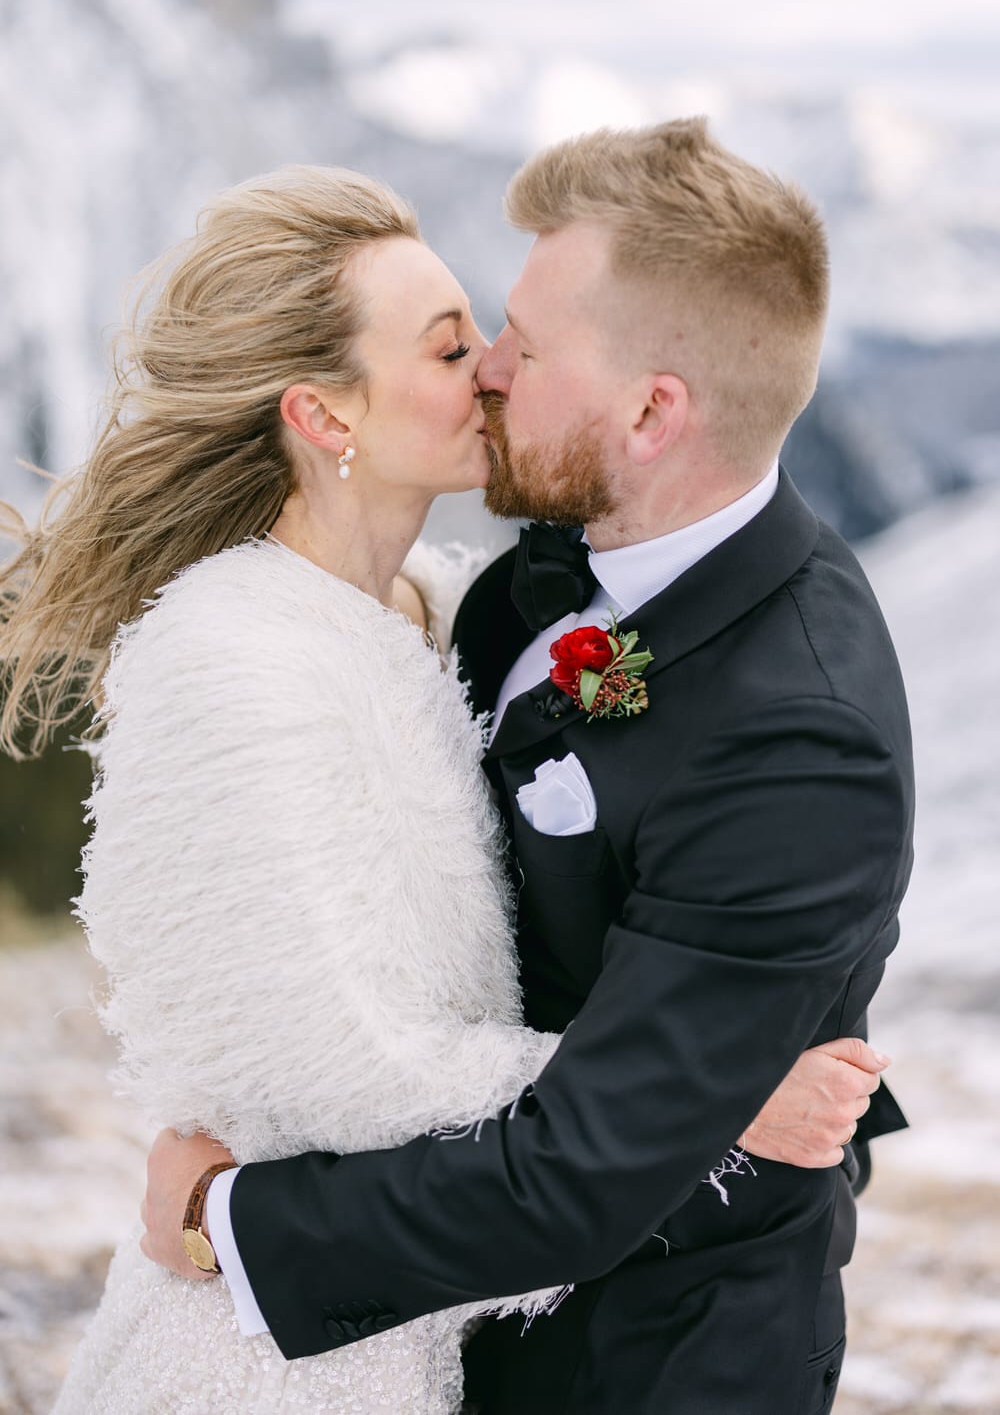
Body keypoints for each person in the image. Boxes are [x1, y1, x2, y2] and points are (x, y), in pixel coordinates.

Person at [0, 161, 874, 1415]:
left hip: (438, 1319)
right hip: (282, 1354)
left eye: (492, 332)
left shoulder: (457, 609)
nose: (497, 370)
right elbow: (327, 1068)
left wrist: (729, 1052)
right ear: (324, 414)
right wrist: (716, 1098)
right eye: (450, 344)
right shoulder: (231, 655)